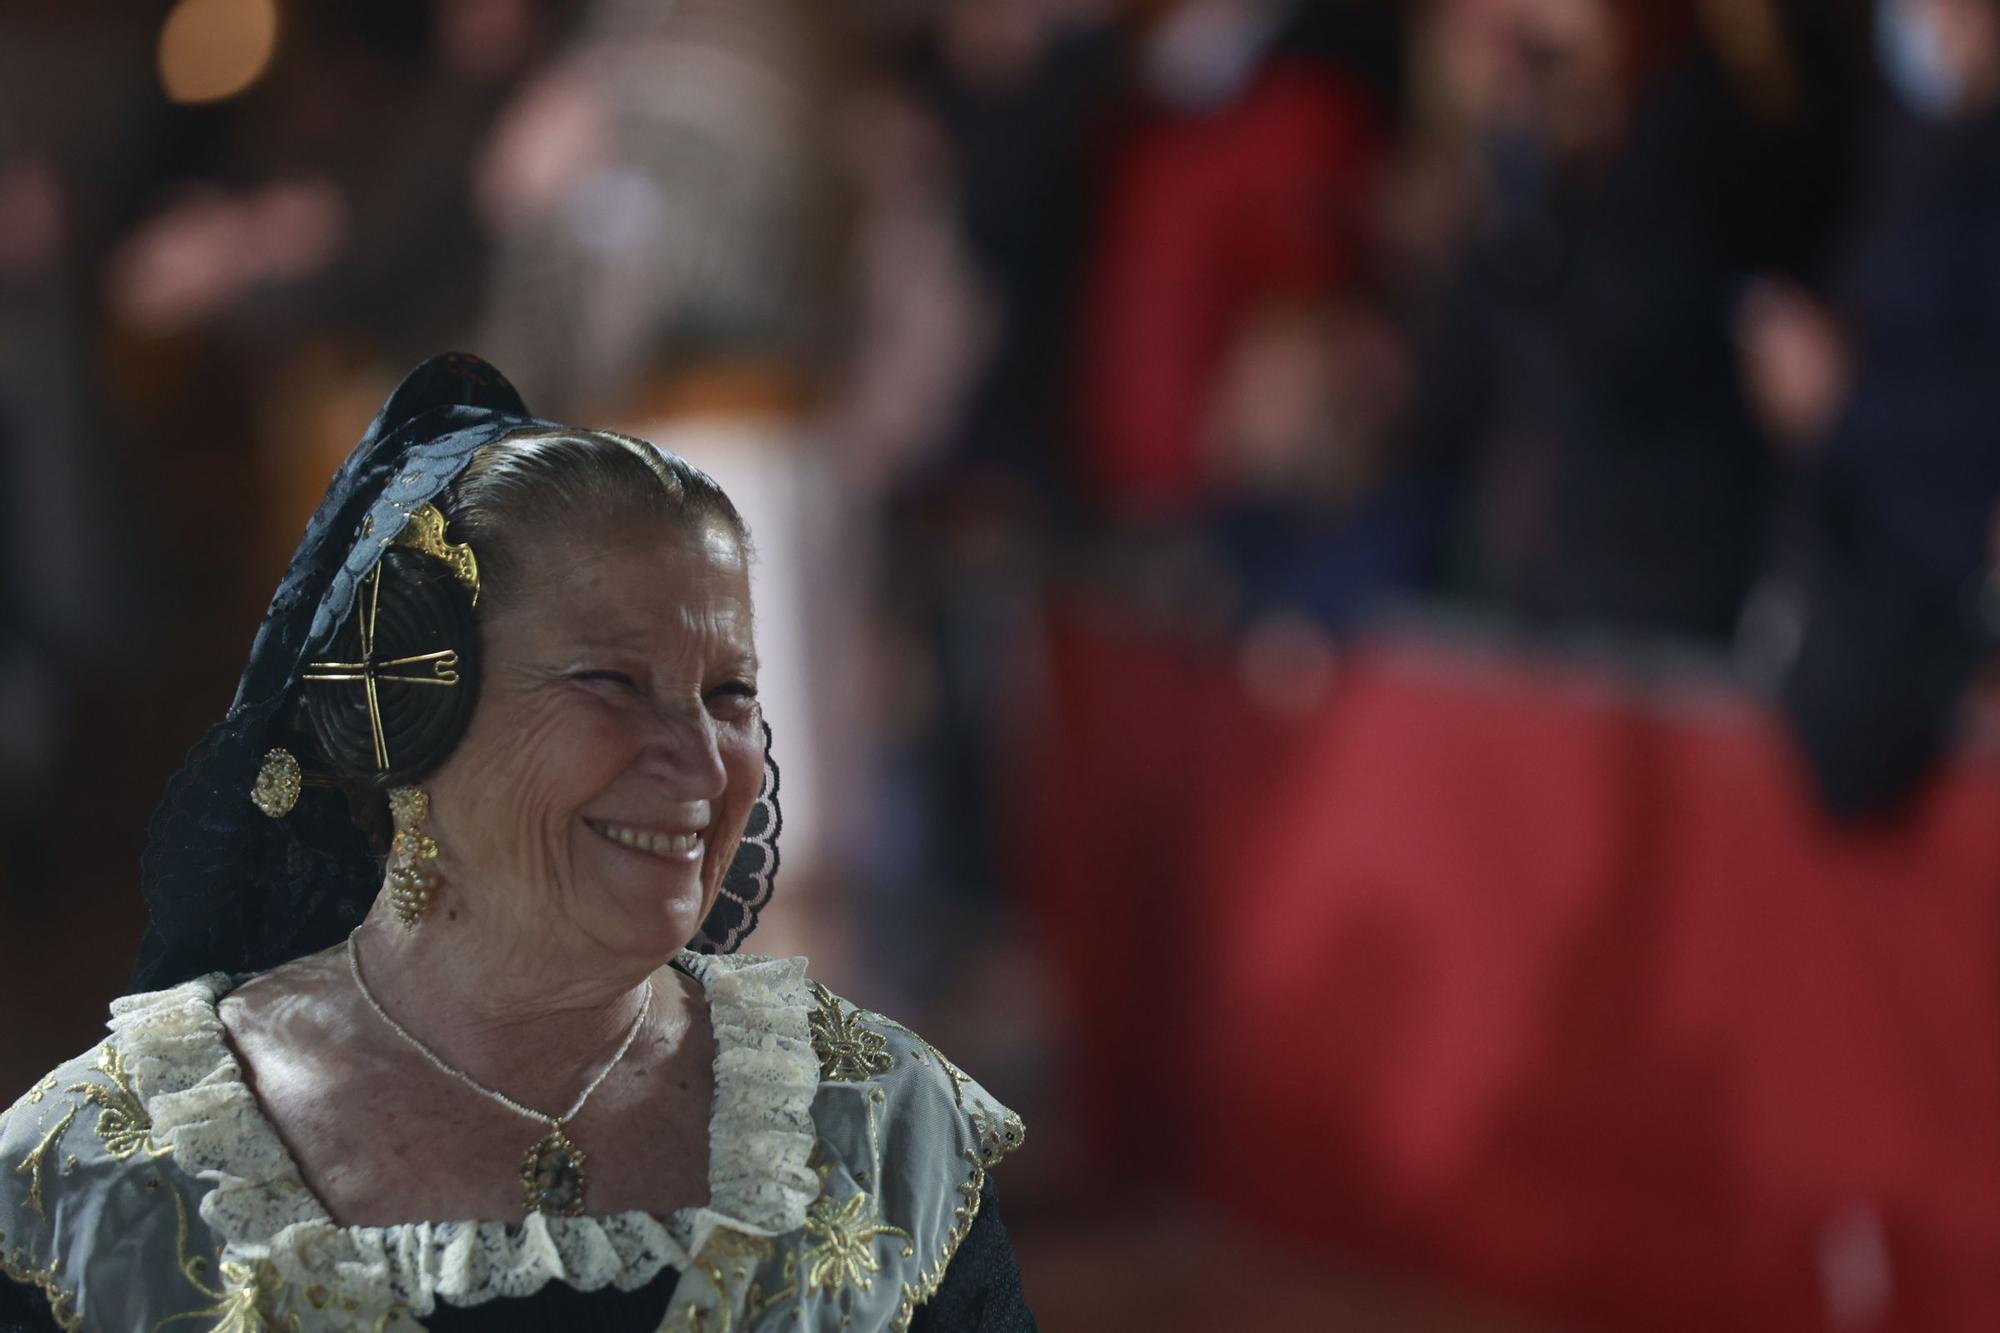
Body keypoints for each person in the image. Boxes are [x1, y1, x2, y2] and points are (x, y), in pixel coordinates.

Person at [0, 355, 1032, 1331]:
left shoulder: (881, 1134)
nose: (704, 764)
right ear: (405, 714)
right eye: (612, 683)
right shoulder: (110, 1178)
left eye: (728, 695)